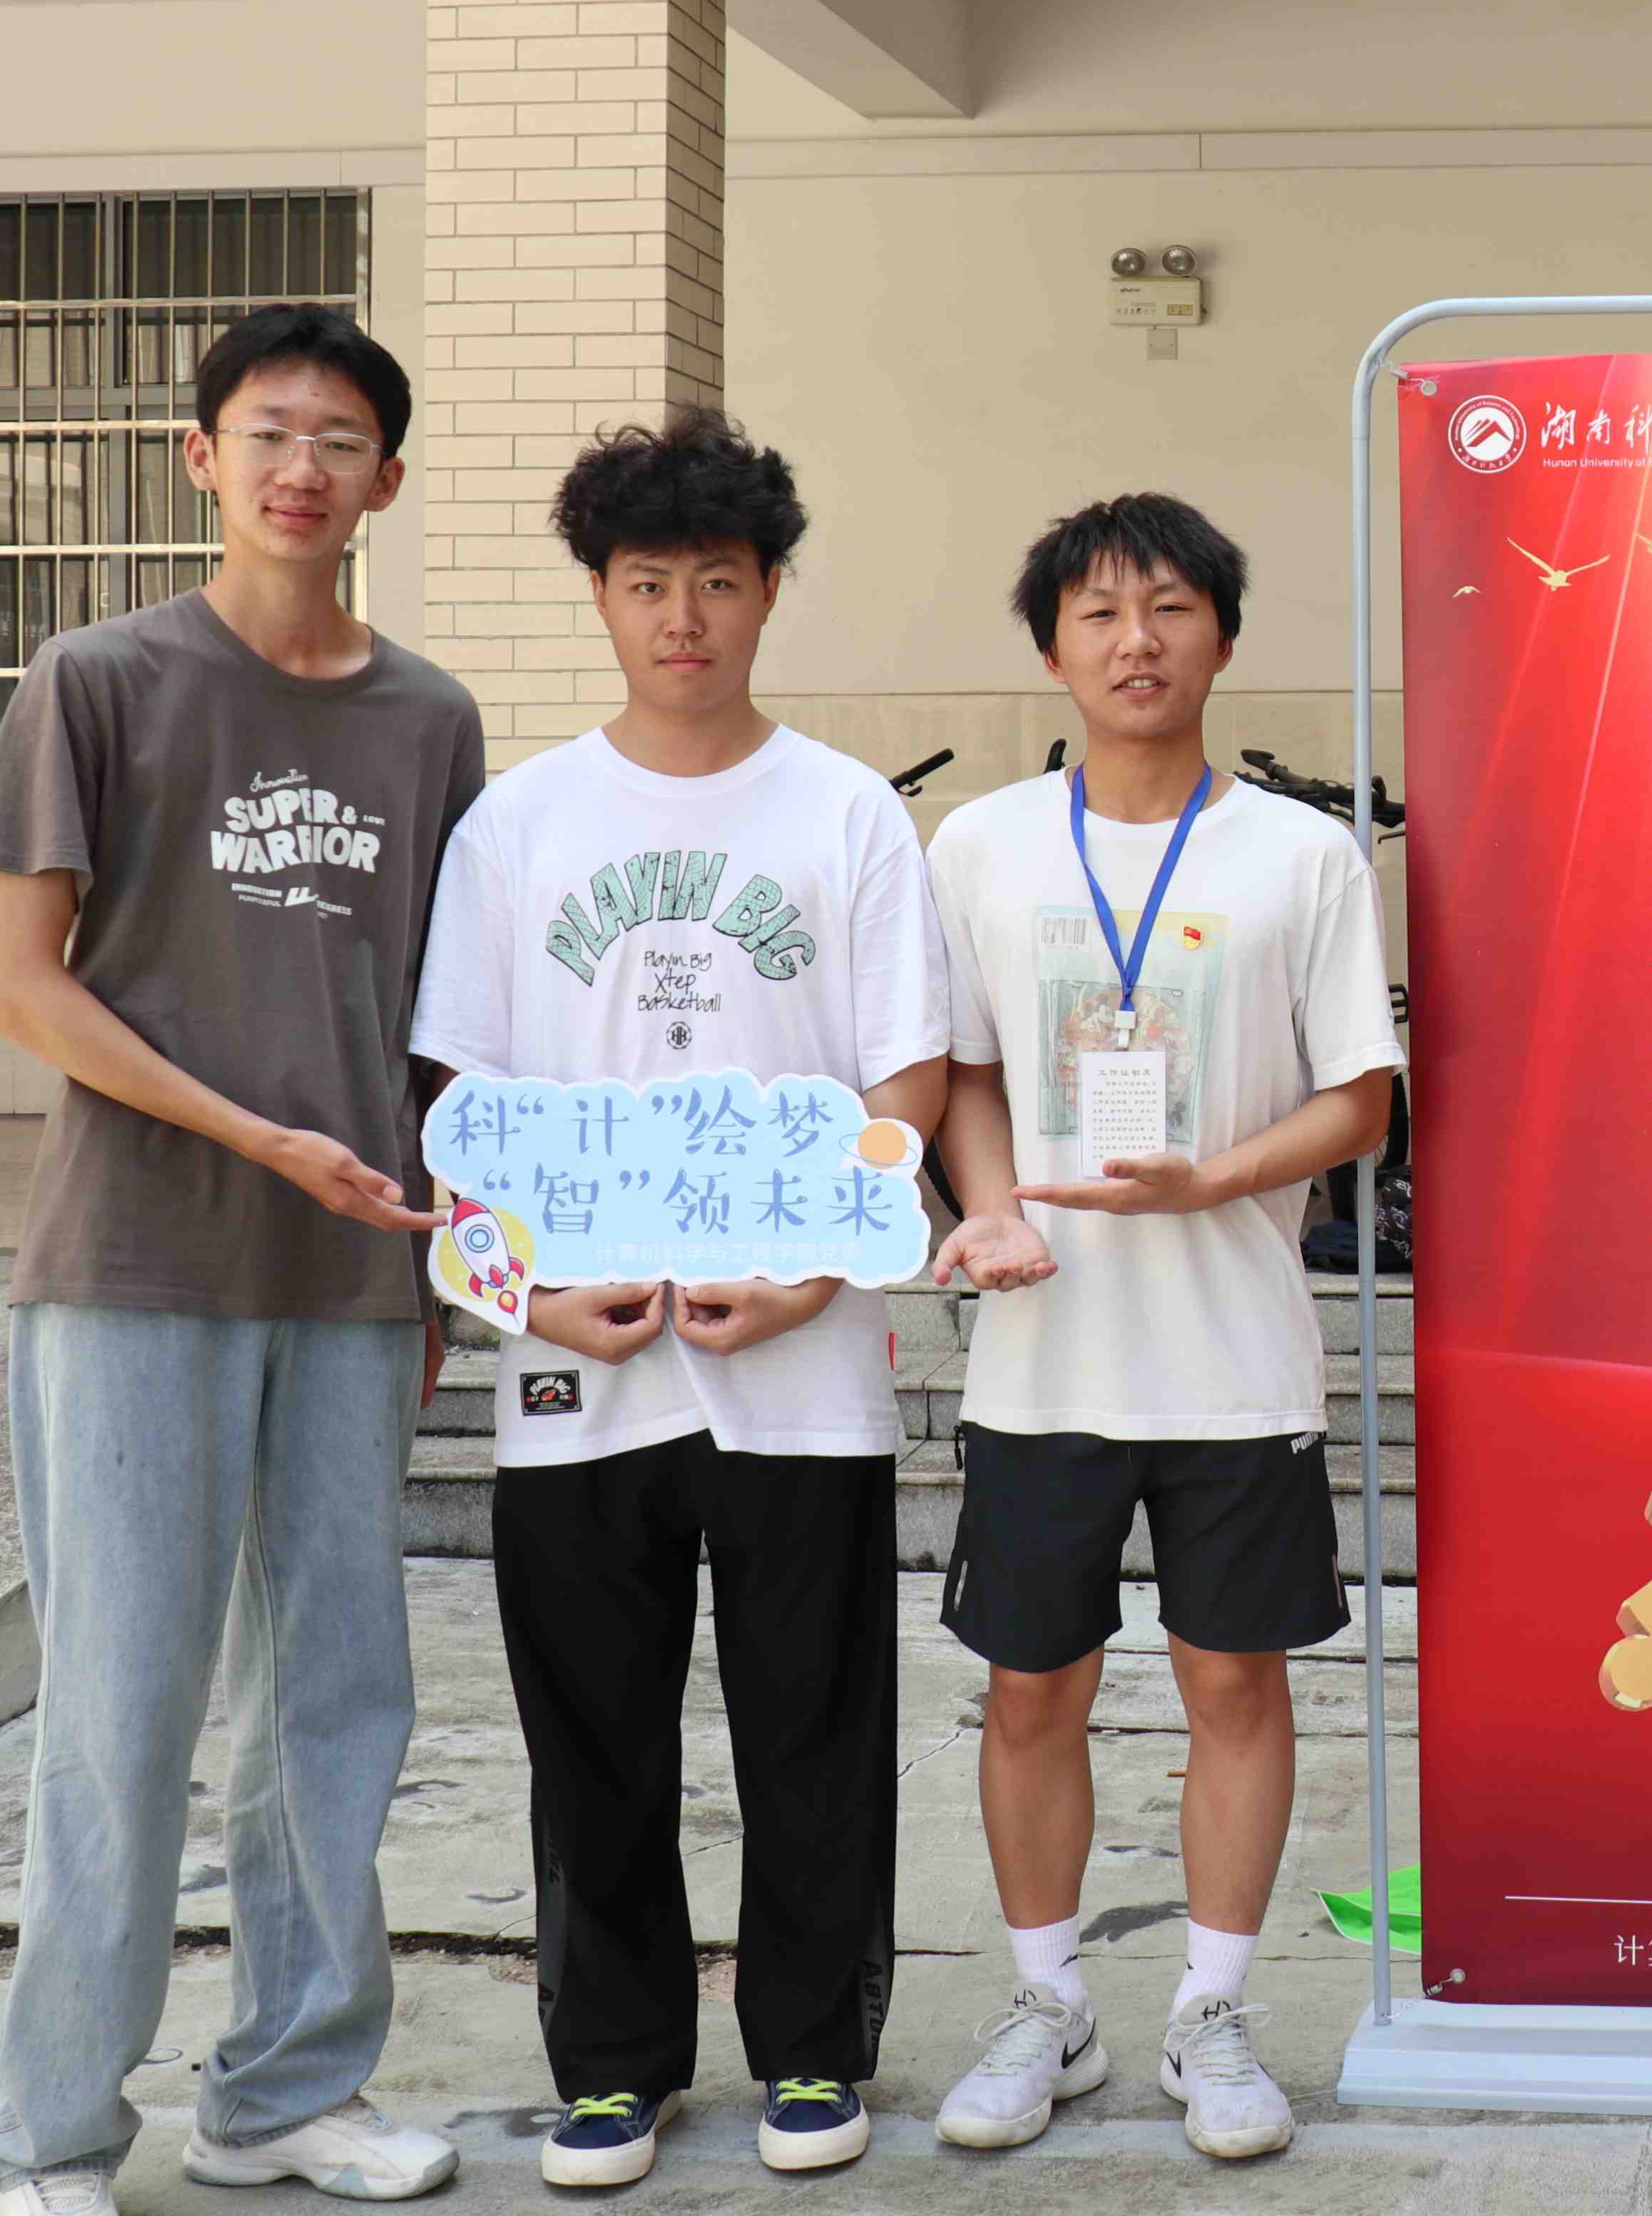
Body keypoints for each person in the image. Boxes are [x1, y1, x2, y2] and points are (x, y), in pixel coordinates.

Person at [0, 302, 483, 2215]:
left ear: (386, 480)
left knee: (337, 1695)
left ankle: (284, 2092)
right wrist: (256, 1134)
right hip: (132, 1261)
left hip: (351, 1281)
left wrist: (436, 1261)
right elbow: (20, 989)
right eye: (267, 431)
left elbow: (439, 1021)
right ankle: (51, 2133)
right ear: (202, 458)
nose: (299, 467)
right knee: (122, 1702)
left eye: (339, 439)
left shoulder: (430, 722)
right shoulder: (98, 680)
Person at [405, 414, 948, 2188]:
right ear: (602, 597)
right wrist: (527, 1299)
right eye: (650, 583)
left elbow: (910, 1075)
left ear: (770, 589)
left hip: (805, 1363)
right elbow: (460, 1097)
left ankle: (813, 2048)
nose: (684, 616)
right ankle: (614, 2064)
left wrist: (814, 1268)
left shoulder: (846, 812)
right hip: (584, 1364)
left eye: (719, 579)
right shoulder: (519, 824)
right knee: (594, 1735)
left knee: (815, 1724)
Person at [917, 495, 1402, 2165]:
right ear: (1052, 647)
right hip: (1041, 1353)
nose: (1138, 640)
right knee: (1030, 1689)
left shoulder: (1301, 853)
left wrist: (1215, 1179)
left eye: (1172, 606)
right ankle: (1047, 2003)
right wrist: (989, 1205)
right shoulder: (982, 845)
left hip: (1235, 1354)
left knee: (1234, 1681)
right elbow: (964, 1068)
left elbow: (1359, 1097)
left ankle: (1212, 2009)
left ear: (1223, 636)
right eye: (1101, 613)